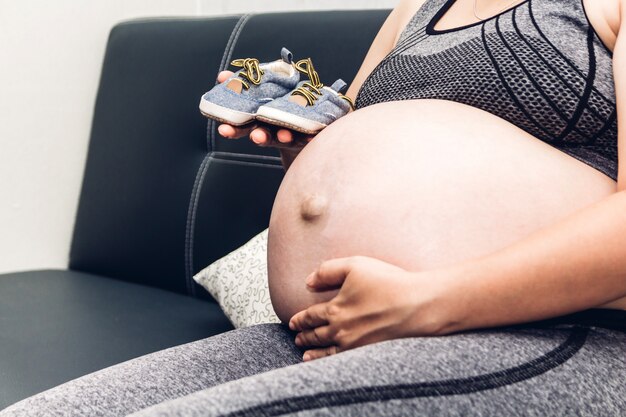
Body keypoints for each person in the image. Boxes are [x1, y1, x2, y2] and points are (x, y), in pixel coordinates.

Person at [2, 0, 625, 415]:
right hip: (330, 331)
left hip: (554, 329)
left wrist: (429, 301)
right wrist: (305, 144)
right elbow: (345, 170)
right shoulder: (422, 6)